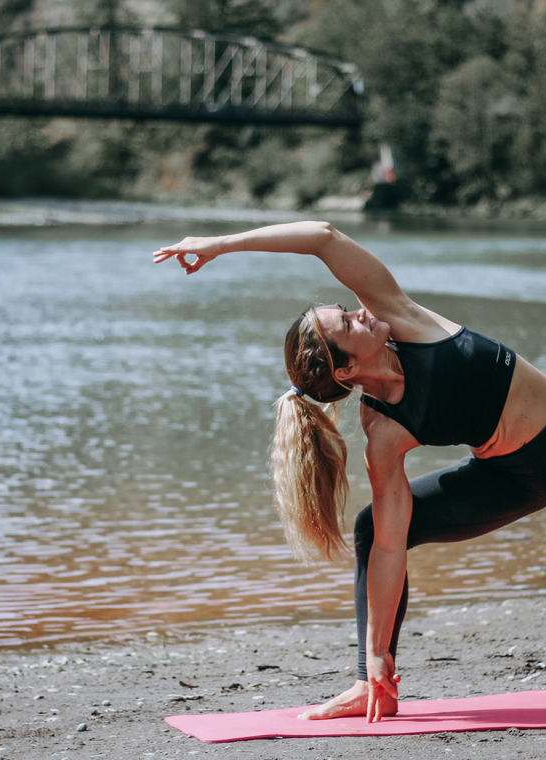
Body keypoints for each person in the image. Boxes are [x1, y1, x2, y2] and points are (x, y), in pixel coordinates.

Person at [153, 221, 546, 723]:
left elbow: (324, 238)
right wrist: (376, 648)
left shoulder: (403, 319)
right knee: (372, 528)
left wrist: (220, 244)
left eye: (347, 310)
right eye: (347, 324)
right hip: (510, 480)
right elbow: (388, 544)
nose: (360, 312)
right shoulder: (383, 430)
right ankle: (370, 682)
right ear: (344, 371)